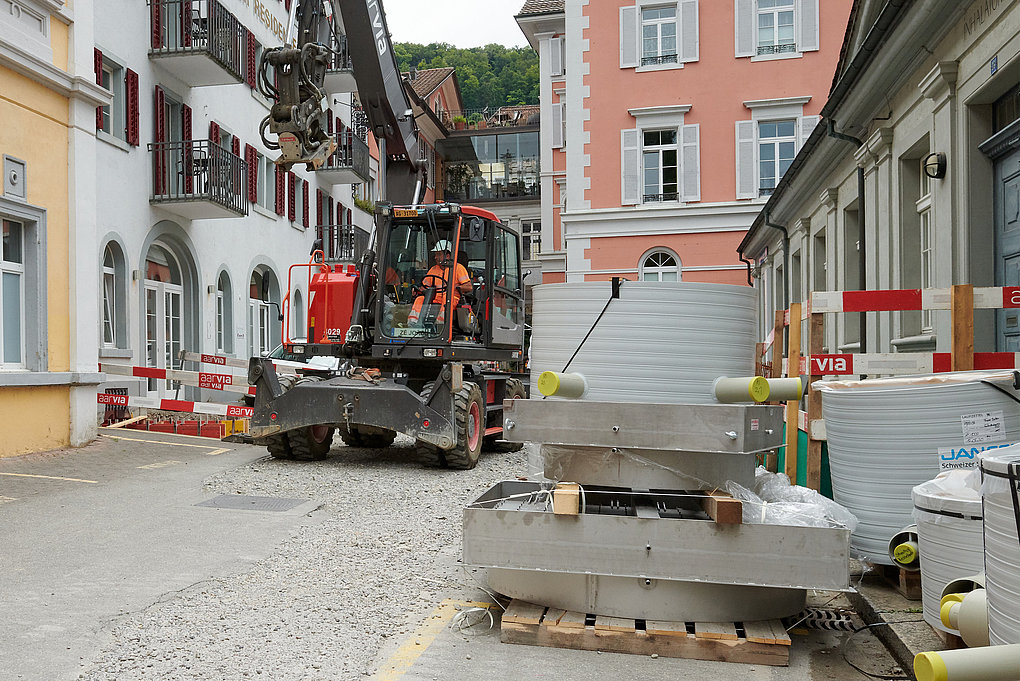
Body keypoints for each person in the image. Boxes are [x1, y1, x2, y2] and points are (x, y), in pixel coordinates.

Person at [407, 240, 471, 325]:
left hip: (452, 298)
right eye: (436, 254)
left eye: (439, 254)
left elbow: (469, 287)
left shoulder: (458, 268)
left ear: (447, 256)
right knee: (420, 299)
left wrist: (455, 287)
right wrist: (417, 291)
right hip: (435, 299)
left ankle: (440, 325)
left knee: (447, 298)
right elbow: (425, 287)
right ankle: (413, 324)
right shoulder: (433, 269)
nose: (435, 257)